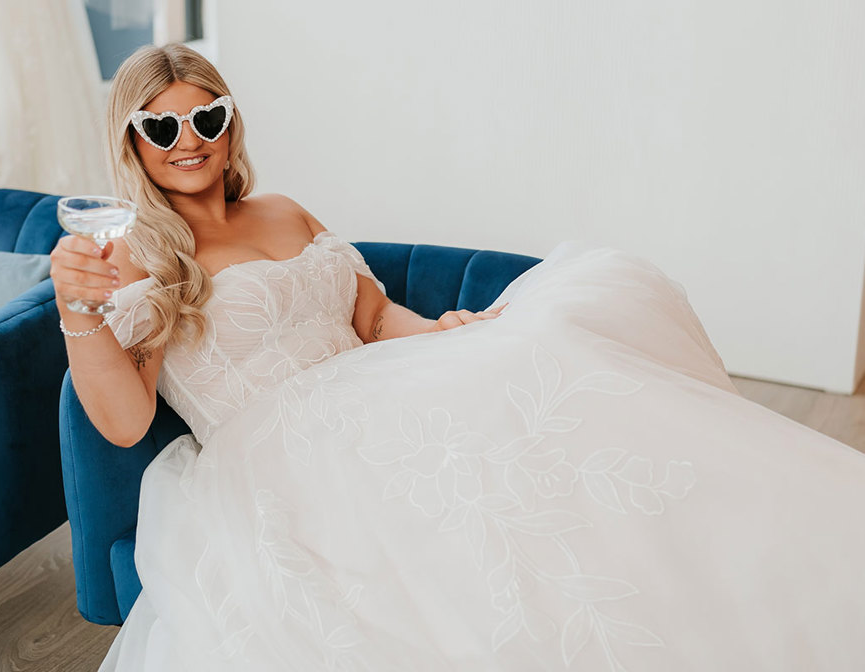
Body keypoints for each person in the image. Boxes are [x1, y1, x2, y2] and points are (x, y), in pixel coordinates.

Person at [51, 44, 865, 672]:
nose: (188, 142)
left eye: (207, 117)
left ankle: (731, 563)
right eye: (162, 126)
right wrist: (78, 310)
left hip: (377, 385)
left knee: (548, 353)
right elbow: (123, 424)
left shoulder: (280, 209)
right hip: (283, 450)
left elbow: (369, 314)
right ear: (133, 140)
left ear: (231, 122)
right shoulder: (135, 258)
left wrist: (443, 335)